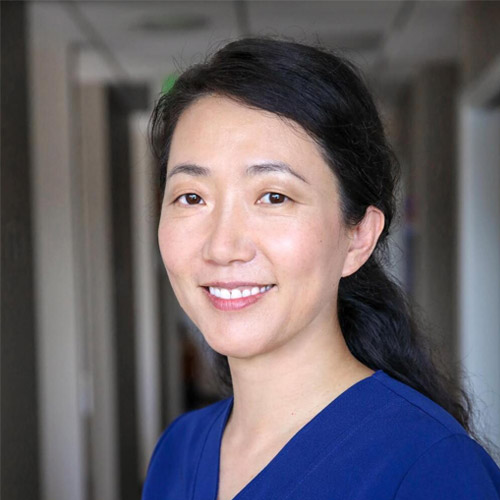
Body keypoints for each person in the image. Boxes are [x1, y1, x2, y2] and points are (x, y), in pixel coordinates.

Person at [142, 36, 500, 500]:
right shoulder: (178, 450)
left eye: (274, 196)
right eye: (192, 197)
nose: (222, 247)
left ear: (359, 237)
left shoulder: (430, 468)